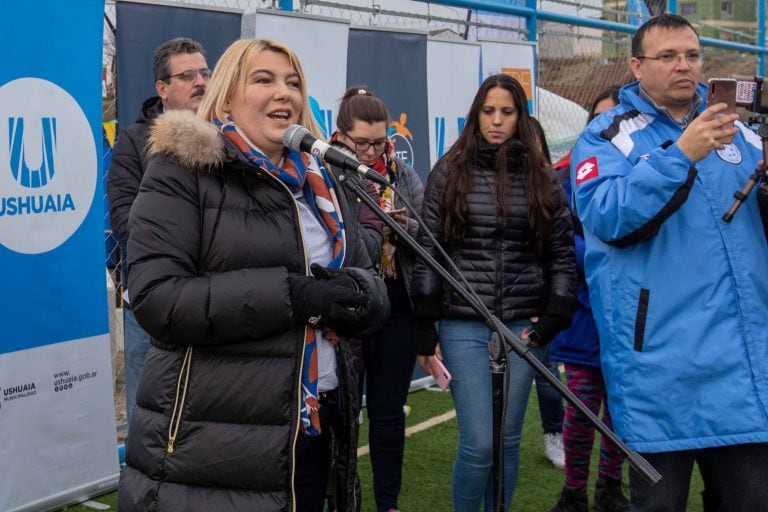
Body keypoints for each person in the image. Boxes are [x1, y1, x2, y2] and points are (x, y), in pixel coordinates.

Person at [117, 38, 390, 512]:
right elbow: (158, 299)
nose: (284, 93)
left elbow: (364, 276)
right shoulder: (181, 172)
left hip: (314, 431)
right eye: (263, 80)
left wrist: (365, 297)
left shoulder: (323, 181)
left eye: (293, 83)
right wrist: (294, 296)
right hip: (212, 446)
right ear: (225, 96)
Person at [570, 14, 768, 511]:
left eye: (693, 55)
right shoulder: (605, 137)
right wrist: (680, 154)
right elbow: (609, 217)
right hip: (659, 374)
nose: (685, 66)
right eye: (668, 56)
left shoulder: (740, 134)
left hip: (741, 371)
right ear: (637, 66)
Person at [411, 73, 577, 511]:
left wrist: (557, 311)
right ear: (476, 115)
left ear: (520, 117)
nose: (497, 121)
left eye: (507, 112)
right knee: (480, 443)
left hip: (523, 326)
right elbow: (428, 250)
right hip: (463, 323)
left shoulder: (542, 176)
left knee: (506, 442)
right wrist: (425, 326)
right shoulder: (449, 171)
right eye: (489, 111)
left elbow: (561, 253)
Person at [329, 87, 425, 512]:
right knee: (341, 416)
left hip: (396, 307)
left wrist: (404, 231)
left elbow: (427, 237)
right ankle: (341, 498)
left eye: (380, 143)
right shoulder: (325, 172)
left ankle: (388, 502)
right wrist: (369, 230)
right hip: (346, 309)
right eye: (361, 143)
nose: (370, 152)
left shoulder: (401, 175)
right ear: (340, 137)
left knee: (388, 414)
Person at [107, 37, 209, 429]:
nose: (200, 81)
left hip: (216, 302)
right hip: (153, 309)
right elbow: (126, 223)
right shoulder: (134, 143)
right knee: (149, 423)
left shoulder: (231, 137)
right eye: (187, 75)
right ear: (162, 89)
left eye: (204, 72)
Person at [548, 86, 630, 512]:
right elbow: (562, 245)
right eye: (600, 119)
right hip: (583, 317)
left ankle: (610, 487)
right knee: (580, 411)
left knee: (620, 412)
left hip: (628, 320)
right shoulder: (567, 178)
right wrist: (603, 258)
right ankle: (573, 491)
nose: (608, 127)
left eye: (617, 119)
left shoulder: (642, 175)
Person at [529, 117, 567, 471]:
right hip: (500, 304)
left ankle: (554, 433)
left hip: (541, 303)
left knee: (548, 375)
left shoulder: (554, 187)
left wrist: (552, 304)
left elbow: (563, 253)